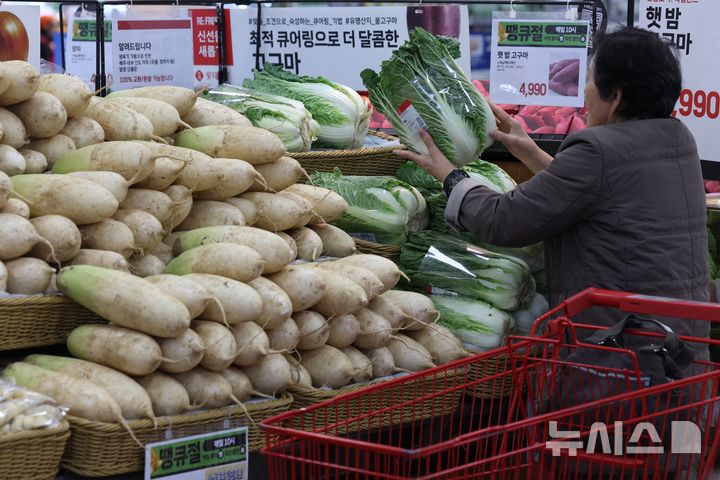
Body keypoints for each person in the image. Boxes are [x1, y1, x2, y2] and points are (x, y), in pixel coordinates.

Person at [395, 27, 710, 364]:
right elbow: (597, 192)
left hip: (618, 356)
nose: (585, 92)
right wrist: (529, 151)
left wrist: (449, 176)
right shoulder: (679, 141)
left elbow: (505, 221)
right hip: (677, 351)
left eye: (588, 80)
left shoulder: (598, 150)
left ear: (615, 96)